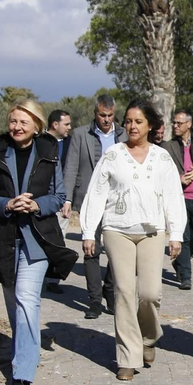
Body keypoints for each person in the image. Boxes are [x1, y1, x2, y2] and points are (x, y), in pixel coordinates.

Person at [79, 101, 185, 381]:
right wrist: (89, 231)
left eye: (138, 121)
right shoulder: (113, 155)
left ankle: (148, 337)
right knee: (124, 292)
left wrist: (176, 234)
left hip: (152, 231)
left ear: (150, 125)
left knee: (150, 293)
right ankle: (128, 357)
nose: (132, 126)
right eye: (128, 121)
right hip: (117, 230)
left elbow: (173, 196)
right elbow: (96, 193)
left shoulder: (162, 158)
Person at [0, 101, 77, 385]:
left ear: (37, 126)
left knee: (26, 298)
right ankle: (22, 347)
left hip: (37, 239)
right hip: (4, 239)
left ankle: (23, 368)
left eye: (24, 122)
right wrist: (8, 204)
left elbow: (58, 195)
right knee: (14, 301)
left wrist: (36, 205)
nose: (17, 127)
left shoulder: (49, 152)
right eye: (13, 121)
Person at [61, 94, 126, 318]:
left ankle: (110, 290)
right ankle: (94, 300)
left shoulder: (123, 135)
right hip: (89, 199)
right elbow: (71, 168)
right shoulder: (81, 135)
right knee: (91, 249)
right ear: (95, 113)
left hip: (117, 201)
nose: (106, 119)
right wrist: (67, 199)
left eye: (110, 115)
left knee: (118, 251)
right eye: (102, 115)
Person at [161, 108, 193, 290]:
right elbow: (162, 171)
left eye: (179, 123)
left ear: (189, 124)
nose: (175, 126)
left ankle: (179, 262)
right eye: (174, 122)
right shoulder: (168, 146)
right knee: (183, 236)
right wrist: (178, 179)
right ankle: (185, 276)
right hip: (179, 198)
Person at [43, 109, 73, 293]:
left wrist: (67, 199)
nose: (70, 127)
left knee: (59, 240)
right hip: (41, 200)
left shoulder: (71, 144)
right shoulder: (39, 142)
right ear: (55, 124)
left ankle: (53, 279)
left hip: (62, 201)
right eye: (66, 124)